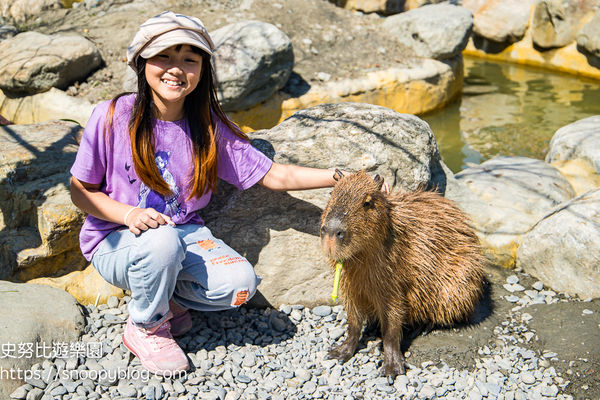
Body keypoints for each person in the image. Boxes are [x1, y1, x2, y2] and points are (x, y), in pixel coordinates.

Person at [71, 11, 387, 376]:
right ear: (141, 61)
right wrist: (127, 215)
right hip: (118, 238)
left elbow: (276, 175)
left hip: (184, 235)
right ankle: (145, 327)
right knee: (161, 244)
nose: (176, 69)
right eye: (164, 57)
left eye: (189, 59)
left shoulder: (208, 126)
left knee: (240, 286)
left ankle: (163, 297)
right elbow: (81, 191)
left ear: (203, 69)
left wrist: (342, 178)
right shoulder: (112, 116)